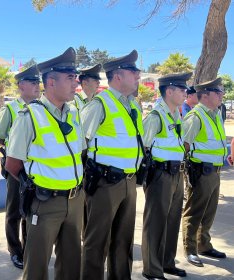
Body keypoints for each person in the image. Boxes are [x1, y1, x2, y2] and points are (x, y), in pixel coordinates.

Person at [5, 47, 86, 280]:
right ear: (51, 81)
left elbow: (79, 153)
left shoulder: (73, 114)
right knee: (37, 266)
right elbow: (13, 164)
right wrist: (36, 185)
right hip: (45, 202)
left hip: (74, 199)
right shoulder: (29, 116)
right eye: (70, 78)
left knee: (71, 263)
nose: (75, 83)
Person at [81, 50, 143, 280]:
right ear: (118, 76)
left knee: (123, 240)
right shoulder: (100, 104)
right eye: (133, 72)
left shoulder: (132, 105)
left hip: (129, 181)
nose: (138, 76)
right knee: (97, 241)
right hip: (105, 183)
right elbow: (79, 145)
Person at [141, 73, 192, 280]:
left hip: (177, 173)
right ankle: (152, 269)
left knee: (172, 221)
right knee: (155, 222)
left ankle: (167, 263)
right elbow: (143, 146)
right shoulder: (155, 116)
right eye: (181, 90)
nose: (185, 93)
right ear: (168, 91)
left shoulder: (176, 114)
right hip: (160, 174)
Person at [0, 65, 41, 269]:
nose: (37, 86)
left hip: (35, 168)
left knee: (30, 210)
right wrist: (15, 150)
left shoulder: (41, 108)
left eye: (37, 82)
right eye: (33, 82)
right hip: (15, 168)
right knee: (14, 211)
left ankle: (28, 247)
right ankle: (15, 250)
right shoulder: (11, 109)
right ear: (21, 86)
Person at [182, 77, 227, 267]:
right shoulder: (195, 116)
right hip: (200, 170)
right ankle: (190, 249)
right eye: (218, 92)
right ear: (205, 95)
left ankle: (204, 244)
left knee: (209, 211)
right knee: (195, 212)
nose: (221, 95)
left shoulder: (215, 114)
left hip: (215, 171)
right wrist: (187, 170)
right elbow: (183, 144)